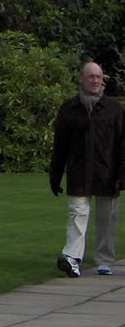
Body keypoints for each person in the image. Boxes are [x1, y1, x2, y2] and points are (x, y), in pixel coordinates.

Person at [49, 61, 125, 277]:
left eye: (99, 77)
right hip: (78, 172)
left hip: (107, 173)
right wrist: (55, 174)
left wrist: (122, 174)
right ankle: (72, 257)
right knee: (77, 214)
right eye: (91, 76)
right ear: (80, 79)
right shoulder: (69, 109)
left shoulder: (114, 109)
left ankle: (104, 260)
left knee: (106, 219)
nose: (95, 80)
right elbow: (60, 145)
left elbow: (122, 144)